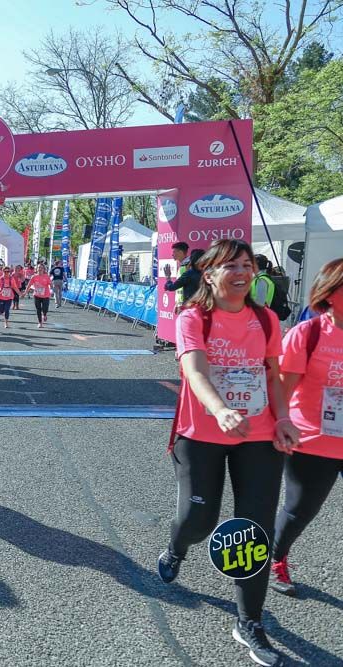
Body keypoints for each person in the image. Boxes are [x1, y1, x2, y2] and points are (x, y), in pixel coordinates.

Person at [157, 239, 299, 667]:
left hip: (257, 435)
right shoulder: (192, 317)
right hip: (201, 432)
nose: (242, 272)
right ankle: (177, 548)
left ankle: (249, 621)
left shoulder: (267, 319)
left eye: (247, 265)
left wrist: (284, 417)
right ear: (210, 274)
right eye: (230, 266)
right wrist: (219, 409)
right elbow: (195, 370)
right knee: (199, 520)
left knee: (251, 530)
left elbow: (273, 375)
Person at [269, 259, 343, 597]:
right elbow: (282, 391)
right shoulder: (308, 334)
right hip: (313, 440)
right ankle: (276, 557)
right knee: (300, 511)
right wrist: (279, 427)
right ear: (330, 292)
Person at [25, 263, 53, 328]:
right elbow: (29, 285)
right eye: (39, 267)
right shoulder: (34, 277)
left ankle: (45, 314)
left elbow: (50, 284)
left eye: (41, 268)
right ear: (37, 269)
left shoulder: (46, 276)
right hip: (37, 295)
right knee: (38, 309)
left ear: (43, 269)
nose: (40, 269)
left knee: (45, 309)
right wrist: (25, 292)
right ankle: (40, 323)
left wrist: (52, 288)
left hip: (45, 295)